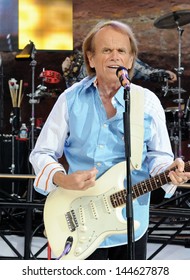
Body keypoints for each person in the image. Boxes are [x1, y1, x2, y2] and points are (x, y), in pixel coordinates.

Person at [29, 20, 190, 260]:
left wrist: (168, 170)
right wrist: (62, 178)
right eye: (106, 50)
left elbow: (160, 157)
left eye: (121, 51)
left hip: (131, 222)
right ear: (91, 59)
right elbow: (41, 153)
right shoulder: (70, 99)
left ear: (131, 60)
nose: (115, 57)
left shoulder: (146, 102)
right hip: (77, 215)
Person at [61, 48, 177, 88]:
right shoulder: (86, 61)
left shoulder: (123, 58)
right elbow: (75, 95)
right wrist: (68, 74)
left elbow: (144, 71)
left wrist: (162, 75)